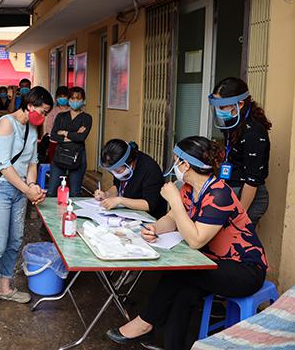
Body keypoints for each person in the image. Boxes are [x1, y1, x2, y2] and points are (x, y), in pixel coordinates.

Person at [107, 136, 267, 350]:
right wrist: (154, 228)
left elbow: (195, 239)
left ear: (185, 164)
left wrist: (173, 200)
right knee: (184, 294)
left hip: (244, 269)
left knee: (180, 272)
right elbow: (172, 219)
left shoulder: (220, 194)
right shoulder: (189, 189)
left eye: (176, 161)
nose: (174, 167)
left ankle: (144, 323)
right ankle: (168, 342)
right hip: (212, 262)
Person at [0, 86, 53, 316]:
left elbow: (31, 163)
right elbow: (4, 165)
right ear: (30, 106)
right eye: (44, 111)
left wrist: (32, 186)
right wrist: (27, 190)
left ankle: (5, 287)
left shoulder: (31, 128)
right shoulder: (6, 124)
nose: (45, 116)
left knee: (14, 240)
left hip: (19, 191)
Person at [208, 77, 271, 225]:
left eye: (222, 107)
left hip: (248, 195)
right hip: (233, 188)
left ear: (240, 104)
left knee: (236, 241)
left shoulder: (254, 133)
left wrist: (239, 214)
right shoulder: (234, 122)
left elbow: (252, 181)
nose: (218, 111)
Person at [95, 140, 167, 220]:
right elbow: (118, 187)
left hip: (149, 220)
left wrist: (120, 200)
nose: (115, 174)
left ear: (130, 163)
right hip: (127, 215)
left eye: (117, 171)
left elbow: (149, 204)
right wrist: (107, 194)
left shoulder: (150, 169)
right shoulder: (121, 167)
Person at [47, 87, 92, 198]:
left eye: (78, 98)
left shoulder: (87, 118)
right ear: (69, 99)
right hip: (60, 156)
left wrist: (64, 132)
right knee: (52, 191)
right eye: (72, 98)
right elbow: (53, 135)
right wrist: (74, 134)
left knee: (75, 193)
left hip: (77, 157)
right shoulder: (61, 116)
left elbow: (81, 137)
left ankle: (72, 215)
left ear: (83, 100)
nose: (75, 101)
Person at [43, 86, 71, 163]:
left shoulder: (72, 111)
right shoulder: (53, 111)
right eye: (60, 96)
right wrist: (58, 136)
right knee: (55, 163)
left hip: (69, 143)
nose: (62, 98)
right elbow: (49, 127)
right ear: (56, 98)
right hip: (55, 142)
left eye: (64, 96)